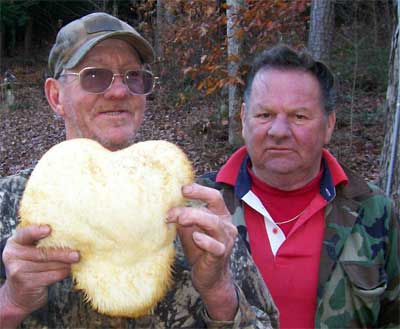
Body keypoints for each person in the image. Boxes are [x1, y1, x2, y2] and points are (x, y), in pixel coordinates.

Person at [0, 12, 278, 328]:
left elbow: (265, 322)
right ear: (55, 96)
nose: (119, 92)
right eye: (94, 76)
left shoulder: (196, 209)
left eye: (134, 77)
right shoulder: (8, 206)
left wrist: (218, 291)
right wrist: (10, 303)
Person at [198, 44, 400, 328]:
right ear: (243, 118)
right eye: (264, 114)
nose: (279, 131)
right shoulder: (198, 207)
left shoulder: (373, 211)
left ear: (329, 124)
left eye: (299, 116)